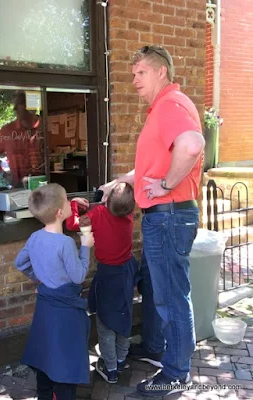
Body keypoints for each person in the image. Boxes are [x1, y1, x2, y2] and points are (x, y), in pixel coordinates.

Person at [100, 45, 205, 397]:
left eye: (140, 73)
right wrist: (123, 180)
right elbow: (152, 167)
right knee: (160, 290)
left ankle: (176, 372)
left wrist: (165, 185)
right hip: (169, 216)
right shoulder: (169, 106)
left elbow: (191, 145)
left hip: (169, 216)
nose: (134, 81)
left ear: (161, 72)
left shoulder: (168, 107)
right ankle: (159, 347)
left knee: (172, 297)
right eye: (133, 74)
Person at [15, 183, 95, 400]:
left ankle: (44, 394)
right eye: (68, 200)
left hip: (45, 305)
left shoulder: (35, 238)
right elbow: (78, 276)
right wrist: (86, 246)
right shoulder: (66, 243)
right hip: (66, 310)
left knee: (46, 352)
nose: (72, 202)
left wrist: (39, 279)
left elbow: (20, 263)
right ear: (60, 212)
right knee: (66, 356)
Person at [66, 183, 138, 384]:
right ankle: (122, 359)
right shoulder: (128, 216)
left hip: (108, 275)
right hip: (126, 272)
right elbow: (118, 207)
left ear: (106, 200)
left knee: (106, 322)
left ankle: (110, 367)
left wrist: (73, 204)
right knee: (124, 316)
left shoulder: (97, 214)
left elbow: (72, 224)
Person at [0, 90, 44, 188]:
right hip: (19, 187)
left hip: (45, 184)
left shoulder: (45, 126)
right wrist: (4, 175)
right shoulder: (7, 131)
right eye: (15, 106)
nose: (15, 109)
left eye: (19, 104)